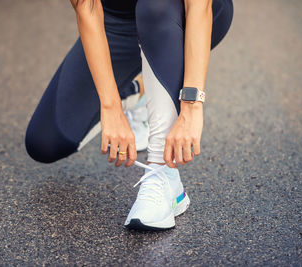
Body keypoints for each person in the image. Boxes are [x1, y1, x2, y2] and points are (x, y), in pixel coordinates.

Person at [25, 0, 233, 230]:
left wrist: (191, 106)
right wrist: (111, 108)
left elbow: (198, 6)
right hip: (116, 22)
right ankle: (139, 90)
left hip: (177, 13)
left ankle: (163, 176)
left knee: (154, 6)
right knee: (46, 141)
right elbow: (87, 7)